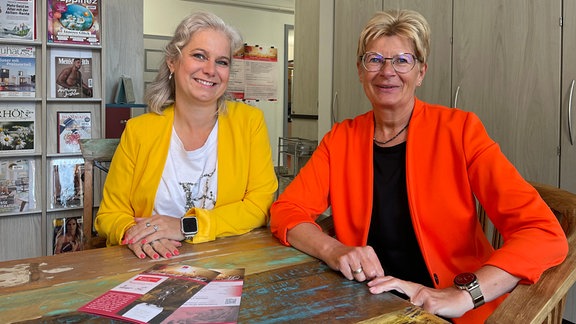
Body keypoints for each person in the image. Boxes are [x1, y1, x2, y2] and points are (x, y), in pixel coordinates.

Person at [269, 9, 568, 323]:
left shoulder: (460, 131)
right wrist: (334, 250)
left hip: (449, 311)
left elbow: (542, 232)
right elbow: (288, 210)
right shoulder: (340, 139)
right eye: (374, 59)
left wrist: (464, 294)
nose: (387, 71)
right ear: (360, 70)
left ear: (421, 72)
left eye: (402, 60)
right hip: (369, 303)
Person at [95, 12, 277, 260]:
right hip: (148, 260)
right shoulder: (139, 130)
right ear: (173, 61)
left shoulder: (249, 123)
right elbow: (109, 214)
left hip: (228, 260)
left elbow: (259, 207)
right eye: (199, 56)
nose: (211, 70)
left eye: (222, 61)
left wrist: (185, 226)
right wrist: (134, 233)